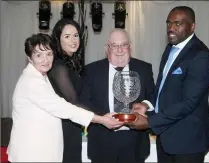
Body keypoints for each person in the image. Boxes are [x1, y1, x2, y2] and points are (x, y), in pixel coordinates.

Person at [7, 33, 123, 162]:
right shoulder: (32, 81)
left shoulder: (41, 76)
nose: (45, 60)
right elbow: (62, 107)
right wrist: (101, 119)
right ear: (29, 58)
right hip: (32, 153)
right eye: (38, 55)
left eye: (49, 54)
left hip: (40, 150)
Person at [128, 6, 209, 163]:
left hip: (189, 140)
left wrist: (149, 121)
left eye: (178, 23)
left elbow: (188, 103)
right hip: (166, 136)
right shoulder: (170, 49)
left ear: (192, 26)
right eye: (169, 23)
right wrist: (147, 104)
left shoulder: (200, 56)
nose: (171, 28)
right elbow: (162, 88)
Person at [80, 29, 155, 163]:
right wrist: (102, 119)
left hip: (135, 142)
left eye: (124, 45)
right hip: (102, 142)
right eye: (114, 45)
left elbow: (154, 96)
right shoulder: (91, 70)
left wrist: (145, 105)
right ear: (106, 48)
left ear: (130, 47)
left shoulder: (144, 68)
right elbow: (84, 101)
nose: (119, 50)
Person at [48, 18, 85, 163]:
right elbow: (73, 101)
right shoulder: (58, 65)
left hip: (71, 123)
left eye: (76, 35)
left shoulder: (71, 62)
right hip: (63, 127)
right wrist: (102, 116)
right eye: (67, 36)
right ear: (58, 39)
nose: (73, 40)